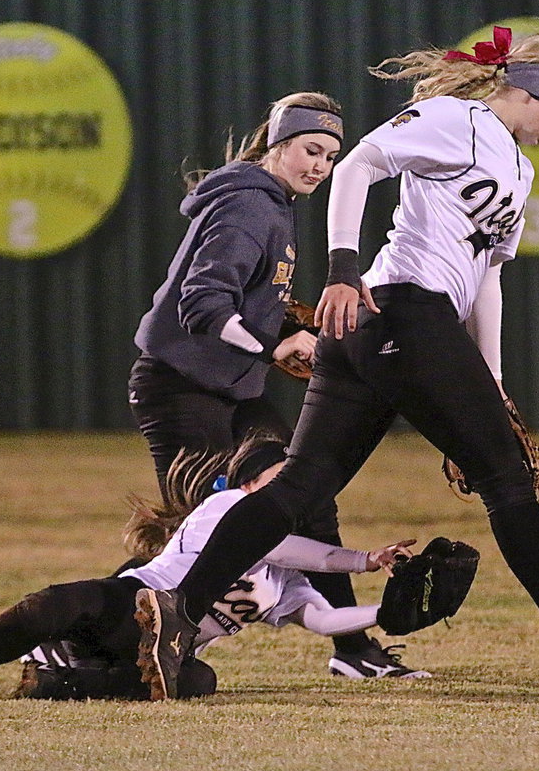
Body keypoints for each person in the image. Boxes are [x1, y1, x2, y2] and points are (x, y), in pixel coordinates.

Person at [133, 25, 539, 699]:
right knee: (507, 479)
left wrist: (492, 379)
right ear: (534, 91)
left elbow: (487, 277)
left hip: (381, 331)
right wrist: (342, 271)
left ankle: (179, 611)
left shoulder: (517, 169)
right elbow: (358, 167)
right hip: (400, 310)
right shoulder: (457, 118)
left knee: (298, 490)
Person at [127, 91, 425, 678]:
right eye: (311, 150)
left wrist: (290, 325)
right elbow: (203, 303)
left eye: (330, 157)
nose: (321, 166)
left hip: (234, 390)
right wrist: (272, 346)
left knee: (304, 493)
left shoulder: (272, 202)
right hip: (179, 389)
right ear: (277, 144)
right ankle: (107, 634)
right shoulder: (249, 205)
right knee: (208, 529)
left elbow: (247, 298)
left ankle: (353, 650)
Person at [0, 433, 417, 700]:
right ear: (250, 483)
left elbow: (323, 620)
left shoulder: (287, 579)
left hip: (164, 652)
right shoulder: (227, 507)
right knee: (55, 602)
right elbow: (307, 552)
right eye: (281, 479)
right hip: (133, 607)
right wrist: (365, 560)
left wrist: (388, 612)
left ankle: (64, 682)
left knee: (200, 681)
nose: (292, 491)